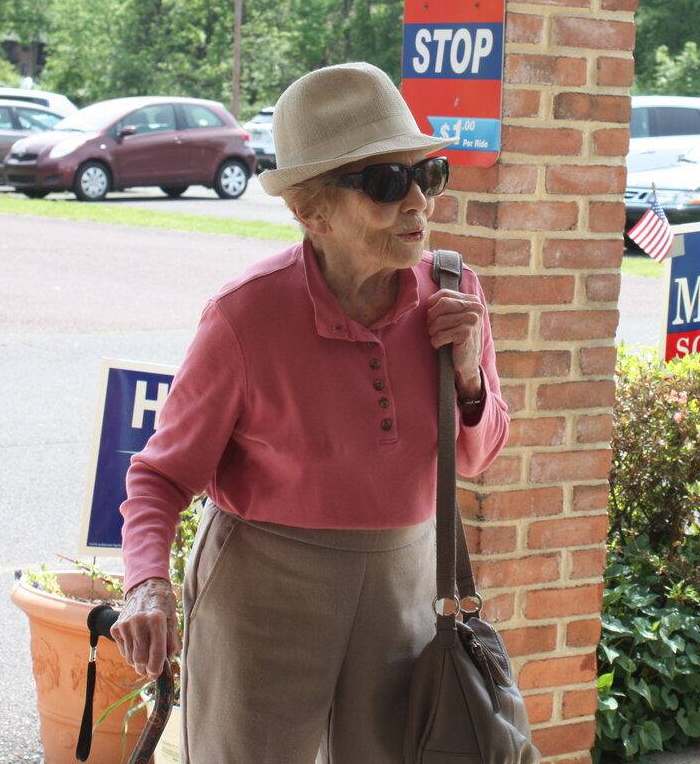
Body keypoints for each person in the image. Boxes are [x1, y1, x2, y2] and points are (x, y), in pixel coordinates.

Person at [110, 62, 510, 764]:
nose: (418, 201)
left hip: (404, 586)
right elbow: (159, 478)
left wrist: (469, 371)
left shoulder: (453, 290)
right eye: (386, 183)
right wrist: (147, 585)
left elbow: (477, 455)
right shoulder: (245, 317)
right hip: (264, 591)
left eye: (429, 174)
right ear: (310, 212)